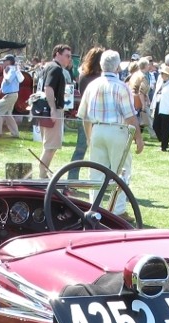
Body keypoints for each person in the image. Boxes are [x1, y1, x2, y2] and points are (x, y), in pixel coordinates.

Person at [75, 49, 143, 213]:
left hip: (97, 129)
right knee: (120, 172)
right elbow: (130, 117)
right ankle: (118, 211)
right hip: (117, 130)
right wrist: (138, 138)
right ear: (118, 66)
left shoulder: (92, 85)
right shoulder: (121, 87)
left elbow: (84, 116)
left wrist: (90, 136)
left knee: (96, 173)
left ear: (101, 65)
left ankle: (94, 209)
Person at [38, 44, 72, 177]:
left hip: (43, 109)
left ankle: (43, 174)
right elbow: (48, 88)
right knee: (50, 147)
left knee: (48, 146)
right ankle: (42, 176)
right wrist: (53, 109)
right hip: (51, 110)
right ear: (57, 53)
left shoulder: (47, 66)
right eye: (67, 56)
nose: (69, 59)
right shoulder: (56, 68)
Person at [69, 47, 103, 168]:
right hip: (96, 117)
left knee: (80, 150)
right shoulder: (100, 78)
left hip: (85, 114)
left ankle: (72, 179)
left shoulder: (83, 76)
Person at [0, 54, 23, 138]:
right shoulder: (11, 70)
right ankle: (15, 133)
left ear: (9, 62)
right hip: (11, 95)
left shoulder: (11, 70)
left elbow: (8, 80)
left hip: (10, 95)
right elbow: (4, 86)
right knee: (7, 114)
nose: (3, 63)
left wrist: (4, 72)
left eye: (4, 61)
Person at [151, 63, 169, 152]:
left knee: (165, 128)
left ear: (167, 75)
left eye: (163, 74)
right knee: (155, 126)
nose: (161, 75)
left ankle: (164, 146)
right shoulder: (160, 82)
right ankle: (163, 140)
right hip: (159, 105)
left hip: (168, 108)